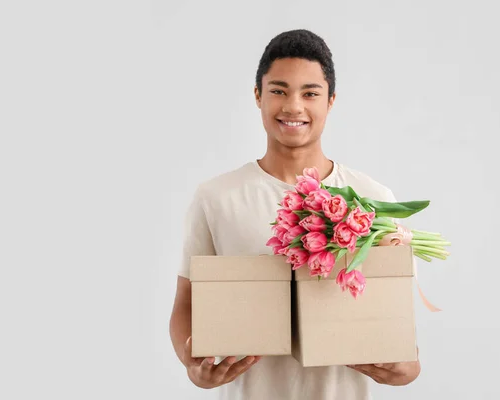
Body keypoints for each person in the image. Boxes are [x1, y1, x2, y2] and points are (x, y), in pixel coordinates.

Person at [169, 29, 421, 400]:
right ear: (257, 96)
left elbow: (395, 318)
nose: (294, 107)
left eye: (310, 93)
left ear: (331, 100)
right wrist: (193, 365)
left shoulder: (373, 198)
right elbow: (186, 305)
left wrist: (407, 368)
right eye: (279, 90)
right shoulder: (216, 198)